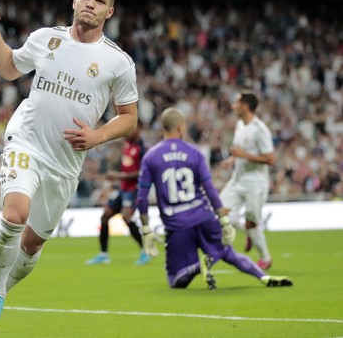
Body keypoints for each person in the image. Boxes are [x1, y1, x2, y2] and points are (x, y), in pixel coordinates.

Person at [0, 0, 138, 334]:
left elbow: (129, 120)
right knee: (15, 214)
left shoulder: (118, 62)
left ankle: (3, 289)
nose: (91, 4)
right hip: (26, 140)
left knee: (31, 246)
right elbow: (8, 68)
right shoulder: (45, 39)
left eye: (99, 1)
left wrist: (96, 137)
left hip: (65, 163)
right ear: (74, 1)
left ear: (109, 12)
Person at [136, 108, 292, 289]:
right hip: (203, 217)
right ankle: (263, 277)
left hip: (177, 224)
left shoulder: (151, 156)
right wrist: (223, 220)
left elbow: (142, 196)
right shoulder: (195, 153)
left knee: (175, 280)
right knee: (229, 253)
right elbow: (209, 189)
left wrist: (146, 229)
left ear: (163, 128)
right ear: (180, 127)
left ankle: (196, 267)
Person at [219, 91, 275, 270]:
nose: (233, 106)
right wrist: (233, 159)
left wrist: (244, 155)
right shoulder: (239, 125)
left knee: (252, 221)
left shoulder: (260, 129)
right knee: (220, 213)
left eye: (236, 103)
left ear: (245, 106)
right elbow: (238, 150)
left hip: (255, 183)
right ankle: (249, 232)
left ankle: (265, 257)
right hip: (237, 180)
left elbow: (270, 159)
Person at [86, 126, 150, 265]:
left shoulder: (143, 149)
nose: (126, 133)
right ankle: (103, 255)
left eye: (129, 131)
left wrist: (118, 176)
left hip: (134, 190)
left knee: (126, 217)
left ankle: (145, 251)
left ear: (137, 130)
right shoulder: (127, 143)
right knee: (105, 216)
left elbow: (142, 173)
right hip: (123, 189)